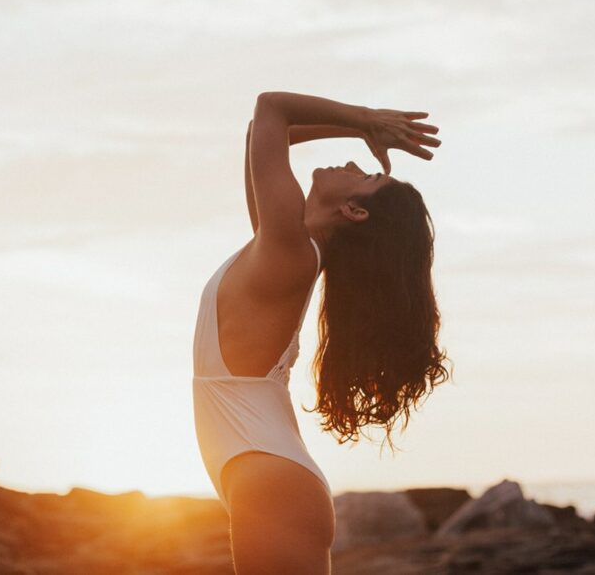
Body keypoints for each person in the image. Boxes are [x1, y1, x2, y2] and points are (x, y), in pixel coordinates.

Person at [191, 91, 450, 573]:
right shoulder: (284, 247)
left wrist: (366, 119)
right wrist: (359, 127)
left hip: (268, 476)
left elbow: (271, 108)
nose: (354, 161)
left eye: (366, 176)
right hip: (263, 472)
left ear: (354, 212)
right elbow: (262, 135)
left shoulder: (287, 254)